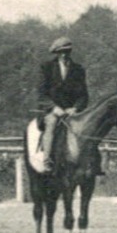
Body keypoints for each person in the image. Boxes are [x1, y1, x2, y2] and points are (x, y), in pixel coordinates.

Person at [37, 36, 89, 167]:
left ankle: (92, 162)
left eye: (67, 51)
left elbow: (84, 95)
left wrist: (76, 108)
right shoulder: (46, 67)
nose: (64, 55)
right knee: (52, 123)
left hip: (72, 111)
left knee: (88, 126)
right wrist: (54, 108)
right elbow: (41, 94)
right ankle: (47, 158)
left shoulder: (78, 69)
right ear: (56, 53)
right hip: (53, 111)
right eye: (61, 52)